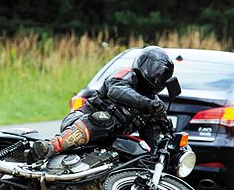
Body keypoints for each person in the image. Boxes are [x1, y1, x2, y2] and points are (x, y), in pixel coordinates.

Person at [32, 45, 174, 159]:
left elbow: (151, 136)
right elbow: (116, 90)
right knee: (103, 119)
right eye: (155, 71)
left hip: (108, 140)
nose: (157, 77)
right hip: (79, 121)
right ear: (143, 64)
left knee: (142, 151)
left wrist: (158, 148)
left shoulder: (153, 104)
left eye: (162, 75)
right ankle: (51, 145)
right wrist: (146, 104)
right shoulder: (125, 74)